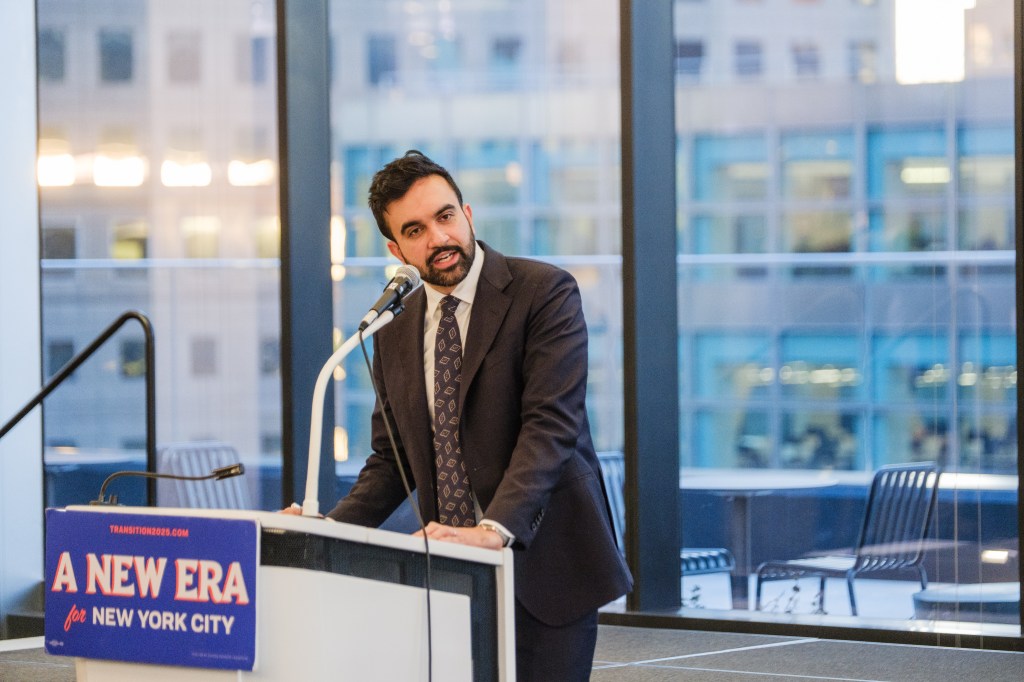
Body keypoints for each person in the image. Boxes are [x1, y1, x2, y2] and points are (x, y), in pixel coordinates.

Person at [319, 150, 632, 680]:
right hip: (451, 578)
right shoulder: (392, 335)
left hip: (548, 562)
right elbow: (391, 461)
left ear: (467, 214)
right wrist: (324, 532)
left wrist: (494, 528)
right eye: (415, 230)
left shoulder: (544, 293)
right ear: (396, 248)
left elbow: (550, 426)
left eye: (445, 217)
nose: (438, 239)